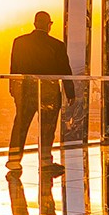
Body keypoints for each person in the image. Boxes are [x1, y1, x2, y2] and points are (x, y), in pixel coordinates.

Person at [8, 11, 75, 174]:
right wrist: (70, 92)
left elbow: (14, 68)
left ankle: (13, 160)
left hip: (24, 90)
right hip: (49, 91)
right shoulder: (57, 45)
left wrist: (13, 88)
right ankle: (45, 161)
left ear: (35, 23)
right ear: (48, 25)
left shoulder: (20, 42)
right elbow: (64, 71)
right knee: (47, 127)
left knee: (20, 125)